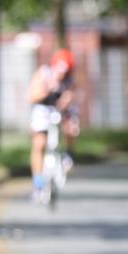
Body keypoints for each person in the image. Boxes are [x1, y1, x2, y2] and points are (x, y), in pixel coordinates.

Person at [28, 48, 80, 202]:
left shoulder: (69, 80)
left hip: (59, 110)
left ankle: (69, 154)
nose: (63, 75)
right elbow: (32, 96)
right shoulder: (43, 73)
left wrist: (63, 102)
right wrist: (47, 93)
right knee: (40, 144)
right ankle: (38, 183)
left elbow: (70, 96)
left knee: (72, 126)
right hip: (42, 109)